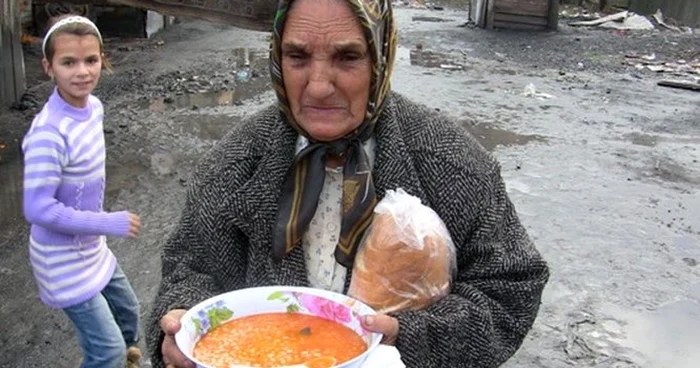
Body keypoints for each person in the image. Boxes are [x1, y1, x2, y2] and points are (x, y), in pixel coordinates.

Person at [146, 0, 549, 367]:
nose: (319, 85)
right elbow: (188, 270)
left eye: (348, 56)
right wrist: (179, 327)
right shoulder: (231, 167)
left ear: (381, 56)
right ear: (277, 57)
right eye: (298, 56)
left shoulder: (453, 164)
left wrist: (414, 339)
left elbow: (509, 289)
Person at [22, 15, 143, 368]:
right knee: (106, 350)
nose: (82, 72)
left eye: (90, 60)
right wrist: (108, 222)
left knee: (128, 313)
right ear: (48, 67)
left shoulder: (94, 109)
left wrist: (100, 230)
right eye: (68, 62)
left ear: (102, 59)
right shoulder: (49, 133)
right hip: (61, 262)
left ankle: (125, 361)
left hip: (91, 249)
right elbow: (37, 209)